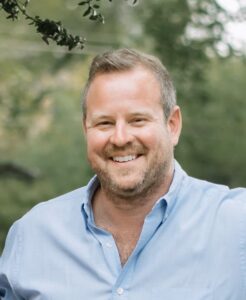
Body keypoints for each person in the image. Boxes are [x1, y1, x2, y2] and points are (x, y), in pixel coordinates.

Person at [0, 48, 245, 300]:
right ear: (86, 129)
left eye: (137, 120)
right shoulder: (33, 235)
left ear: (172, 125)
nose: (120, 138)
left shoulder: (237, 225)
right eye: (104, 123)